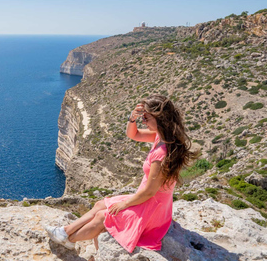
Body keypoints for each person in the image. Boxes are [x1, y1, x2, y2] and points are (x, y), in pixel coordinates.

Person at [44, 94, 198, 253]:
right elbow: (134, 134)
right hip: (150, 201)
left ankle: (69, 238)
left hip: (151, 208)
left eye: (146, 117)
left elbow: (150, 191)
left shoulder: (161, 152)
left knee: (102, 216)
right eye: (143, 116)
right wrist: (133, 118)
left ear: (160, 118)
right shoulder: (163, 136)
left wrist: (124, 204)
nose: (143, 120)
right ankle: (65, 231)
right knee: (99, 205)